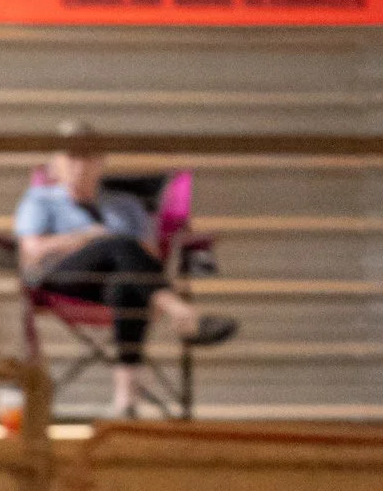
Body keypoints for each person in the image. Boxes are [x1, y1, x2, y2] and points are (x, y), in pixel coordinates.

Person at [14, 121, 236, 418]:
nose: (79, 165)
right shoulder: (41, 200)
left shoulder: (126, 205)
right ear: (56, 163)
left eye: (88, 157)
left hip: (115, 285)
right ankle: (181, 313)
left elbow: (149, 255)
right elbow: (33, 251)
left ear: (101, 162)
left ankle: (125, 401)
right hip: (61, 280)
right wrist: (88, 238)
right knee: (117, 242)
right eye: (71, 157)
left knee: (126, 286)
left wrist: (115, 243)